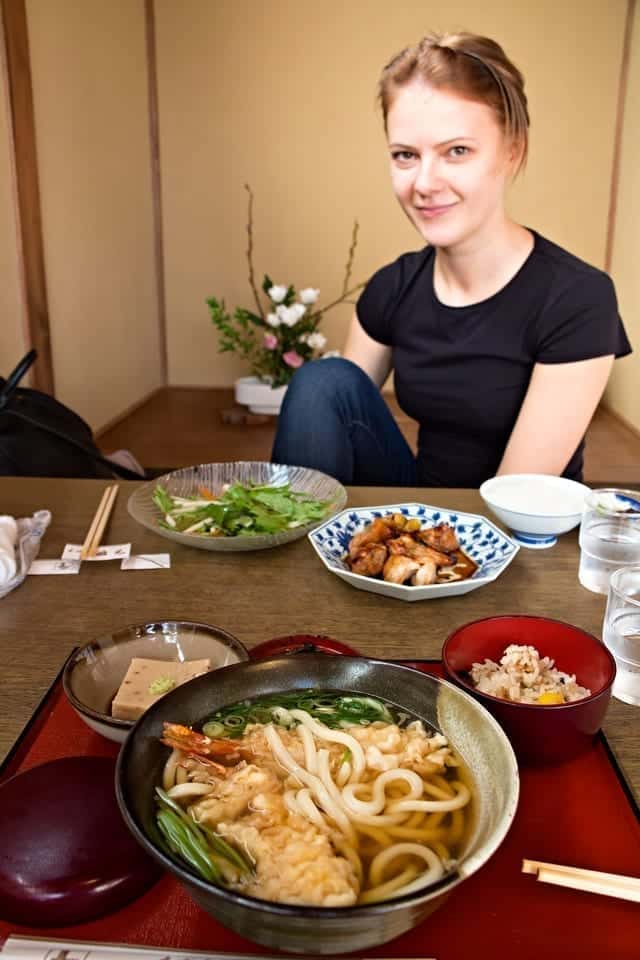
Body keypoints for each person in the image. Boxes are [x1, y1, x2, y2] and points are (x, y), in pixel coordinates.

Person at [271, 31, 631, 487]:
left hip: (520, 534)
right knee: (323, 382)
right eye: (405, 155)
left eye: (456, 151)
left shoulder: (577, 297)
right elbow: (334, 417)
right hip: (423, 520)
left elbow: (516, 498)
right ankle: (287, 552)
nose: (424, 182)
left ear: (512, 151)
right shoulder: (394, 286)